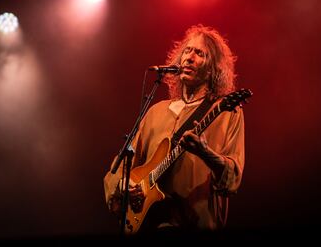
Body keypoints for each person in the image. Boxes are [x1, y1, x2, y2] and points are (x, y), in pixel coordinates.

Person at [103, 24, 245, 235]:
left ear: (213, 68)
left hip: (197, 224)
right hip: (150, 225)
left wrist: (206, 154)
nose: (189, 58)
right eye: (187, 51)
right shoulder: (155, 112)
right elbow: (121, 165)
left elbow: (233, 178)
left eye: (200, 53)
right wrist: (124, 185)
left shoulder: (226, 111)